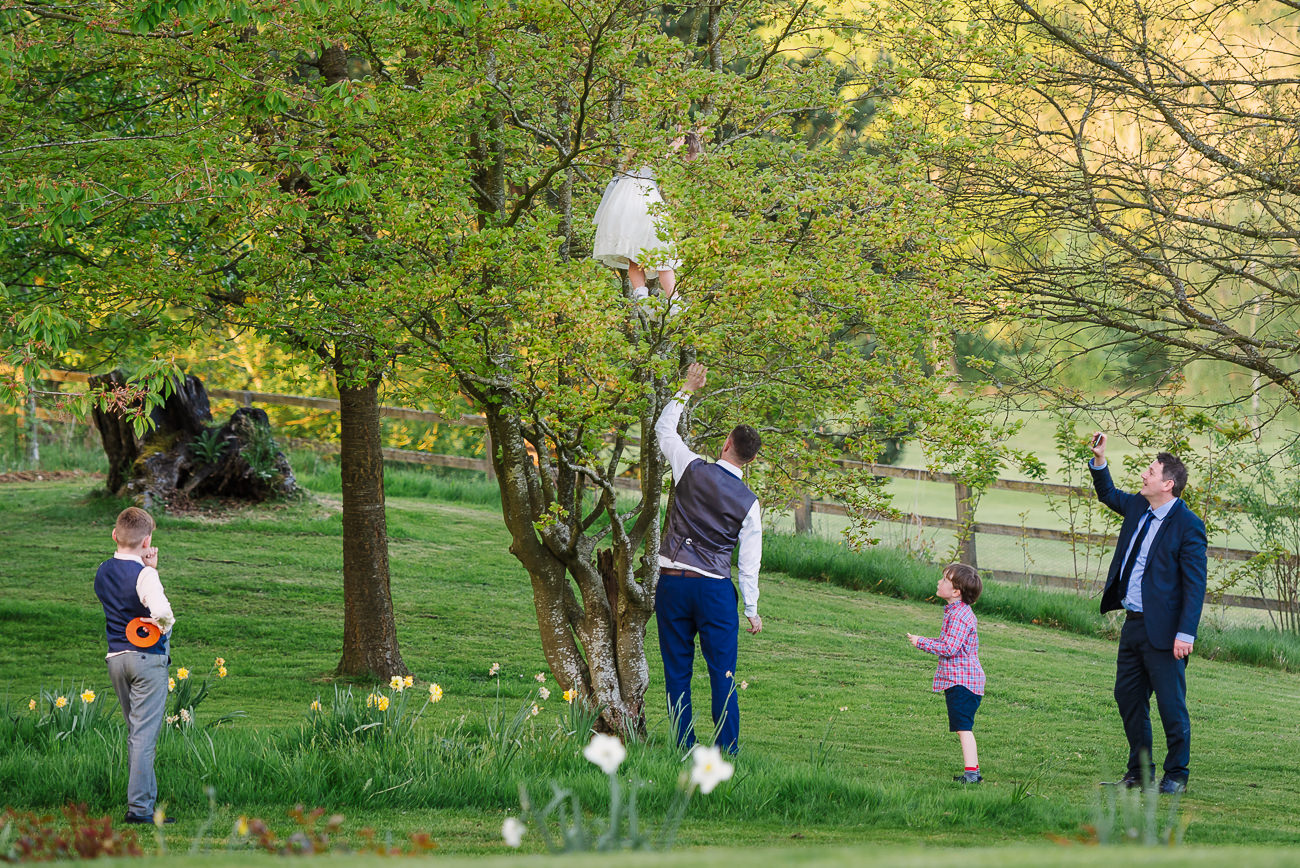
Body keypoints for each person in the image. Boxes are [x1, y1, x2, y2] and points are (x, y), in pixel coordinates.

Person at [1090, 434, 1207, 794]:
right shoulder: (1139, 507)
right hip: (1134, 625)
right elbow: (1108, 494)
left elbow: (1194, 585)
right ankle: (1140, 772)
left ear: (1167, 484)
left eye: (1151, 471)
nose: (1144, 475)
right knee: (1127, 697)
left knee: (1172, 707)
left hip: (1167, 634)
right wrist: (1099, 460)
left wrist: (1185, 633)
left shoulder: (1189, 526)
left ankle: (1176, 775)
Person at [655, 361, 762, 754]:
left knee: (677, 671)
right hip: (716, 591)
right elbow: (749, 563)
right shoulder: (750, 504)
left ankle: (685, 746)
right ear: (749, 460)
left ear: (725, 445)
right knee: (723, 674)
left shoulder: (690, 467)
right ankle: (727, 750)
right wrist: (751, 608)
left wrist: (686, 388)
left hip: (673, 583)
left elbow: (664, 431)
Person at [94, 506, 177, 824]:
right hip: (146, 661)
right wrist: (151, 573)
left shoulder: (103, 570)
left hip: (116, 658)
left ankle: (145, 803)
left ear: (115, 535)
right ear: (147, 541)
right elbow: (165, 615)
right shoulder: (145, 575)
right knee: (143, 737)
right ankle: (140, 809)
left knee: (136, 733)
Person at [591, 131, 704, 313]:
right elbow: (669, 152)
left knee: (634, 254)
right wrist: (681, 137)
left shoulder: (633, 169)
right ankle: (674, 301)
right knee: (663, 250)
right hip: (641, 199)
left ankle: (642, 297)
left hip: (620, 203)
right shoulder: (657, 160)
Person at [907, 563, 985, 783]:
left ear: (956, 591)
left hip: (963, 682)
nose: (939, 582)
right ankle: (974, 772)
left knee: (963, 728)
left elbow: (949, 648)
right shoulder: (956, 611)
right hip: (961, 681)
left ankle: (972, 774)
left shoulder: (960, 616)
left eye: (944, 580)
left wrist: (921, 642)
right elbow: (949, 643)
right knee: (963, 727)